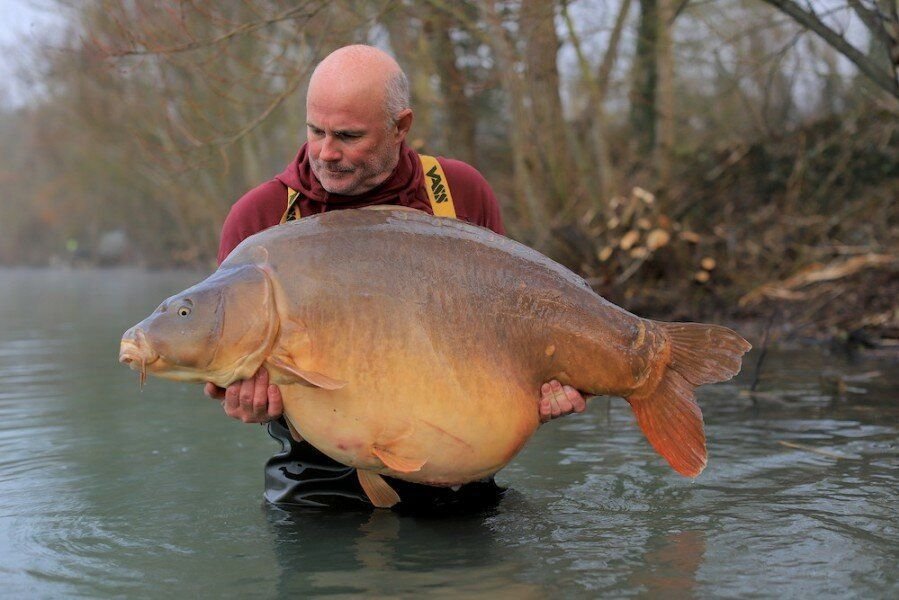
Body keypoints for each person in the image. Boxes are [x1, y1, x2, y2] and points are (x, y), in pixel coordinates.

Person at [205, 45, 586, 511]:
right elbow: (222, 363)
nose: (326, 152)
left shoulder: (457, 192)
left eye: (348, 135)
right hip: (316, 477)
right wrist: (239, 397)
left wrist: (541, 390)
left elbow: (508, 332)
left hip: (452, 461)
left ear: (400, 126)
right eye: (315, 130)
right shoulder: (260, 218)